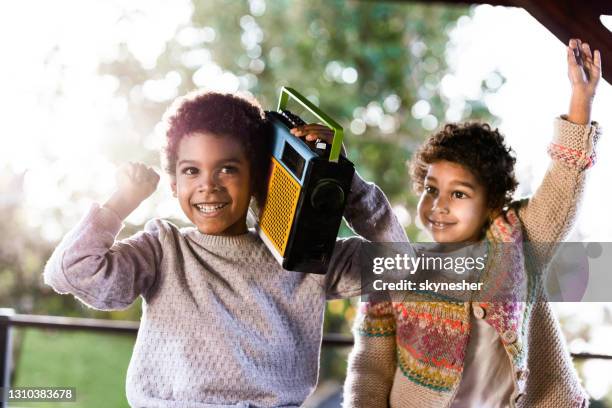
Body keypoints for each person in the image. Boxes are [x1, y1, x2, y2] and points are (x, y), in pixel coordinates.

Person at [44, 90, 407, 407]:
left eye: (227, 169)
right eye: (191, 171)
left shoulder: (305, 258)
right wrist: (120, 203)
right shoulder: (162, 249)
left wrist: (346, 180)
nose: (208, 186)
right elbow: (70, 272)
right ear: (173, 183)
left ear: (259, 177)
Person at [344, 38, 602, 407]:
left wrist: (581, 99)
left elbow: (564, 181)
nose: (439, 205)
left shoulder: (517, 242)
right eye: (431, 189)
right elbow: (370, 367)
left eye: (459, 194)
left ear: (492, 203)